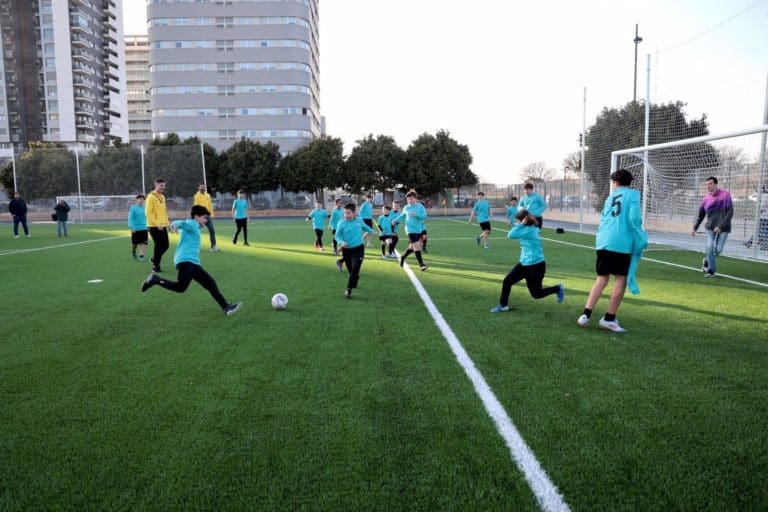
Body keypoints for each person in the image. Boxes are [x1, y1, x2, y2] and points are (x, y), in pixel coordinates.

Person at [578, 169, 648, 333]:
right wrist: (640, 237)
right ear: (629, 182)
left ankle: (585, 315)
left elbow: (604, 218)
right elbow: (634, 219)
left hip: (603, 241)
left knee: (601, 279)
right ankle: (609, 318)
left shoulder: (610, 197)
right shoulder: (633, 195)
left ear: (615, 182)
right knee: (621, 279)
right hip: (620, 242)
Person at [141, 205, 242, 316]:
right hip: (186, 261)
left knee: (208, 284)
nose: (206, 220)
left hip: (192, 262)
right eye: (204, 218)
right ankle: (155, 279)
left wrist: (176, 226)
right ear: (197, 217)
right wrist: (174, 225)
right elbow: (181, 223)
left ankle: (226, 307)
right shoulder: (192, 224)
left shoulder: (194, 226)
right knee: (182, 287)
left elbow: (183, 225)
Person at [490, 209, 564, 313]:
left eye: (517, 221)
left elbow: (510, 235)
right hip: (524, 264)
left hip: (536, 266)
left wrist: (521, 225)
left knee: (536, 294)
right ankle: (503, 305)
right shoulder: (528, 228)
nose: (516, 223)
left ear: (523, 221)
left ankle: (557, 288)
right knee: (507, 281)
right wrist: (522, 224)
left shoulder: (528, 230)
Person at [692, 176, 733, 278]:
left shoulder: (726, 195)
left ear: (715, 184)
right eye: (707, 184)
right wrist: (695, 228)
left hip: (724, 227)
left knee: (718, 250)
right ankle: (711, 270)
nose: (708, 186)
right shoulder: (706, 198)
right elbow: (701, 215)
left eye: (710, 184)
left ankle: (706, 260)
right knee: (710, 246)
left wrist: (720, 226)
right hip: (710, 227)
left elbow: (730, 213)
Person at [334, 202, 374, 298]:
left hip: (359, 248)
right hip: (346, 250)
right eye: (345, 213)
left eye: (348, 213)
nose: (346, 215)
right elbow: (337, 236)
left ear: (354, 213)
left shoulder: (359, 220)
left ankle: (349, 289)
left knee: (355, 268)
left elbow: (366, 227)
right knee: (351, 271)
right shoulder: (341, 223)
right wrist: (341, 242)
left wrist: (373, 232)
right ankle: (355, 279)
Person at [394, 190, 428, 271]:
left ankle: (403, 257)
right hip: (409, 230)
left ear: (415, 199)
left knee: (413, 247)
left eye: (411, 199)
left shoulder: (420, 206)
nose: (409, 201)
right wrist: (396, 220)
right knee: (417, 247)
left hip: (419, 229)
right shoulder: (406, 207)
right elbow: (402, 216)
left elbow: (424, 216)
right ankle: (421, 265)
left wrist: (416, 215)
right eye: (408, 199)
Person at [146, 178, 170, 273]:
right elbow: (148, 213)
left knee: (166, 245)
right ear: (156, 185)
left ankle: (154, 259)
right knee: (159, 245)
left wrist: (167, 224)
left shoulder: (163, 197)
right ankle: (156, 266)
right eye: (161, 185)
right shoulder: (151, 197)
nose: (163, 187)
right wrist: (156, 224)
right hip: (153, 226)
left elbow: (164, 212)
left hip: (162, 225)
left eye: (164, 185)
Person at [193, 184, 219, 252]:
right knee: (196, 232)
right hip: (200, 217)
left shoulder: (208, 195)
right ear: (199, 188)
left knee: (212, 230)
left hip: (207, 216)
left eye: (203, 187)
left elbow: (210, 205)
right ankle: (195, 247)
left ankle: (213, 247)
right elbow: (196, 206)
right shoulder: (196, 196)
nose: (202, 188)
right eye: (201, 187)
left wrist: (211, 214)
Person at [128, 194, 149, 262]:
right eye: (140, 199)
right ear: (137, 200)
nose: (141, 201)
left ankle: (141, 257)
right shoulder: (133, 208)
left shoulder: (145, 207)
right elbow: (131, 218)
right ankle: (133, 251)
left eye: (143, 199)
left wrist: (148, 226)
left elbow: (148, 217)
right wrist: (132, 227)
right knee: (135, 244)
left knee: (144, 243)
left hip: (144, 228)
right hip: (136, 229)